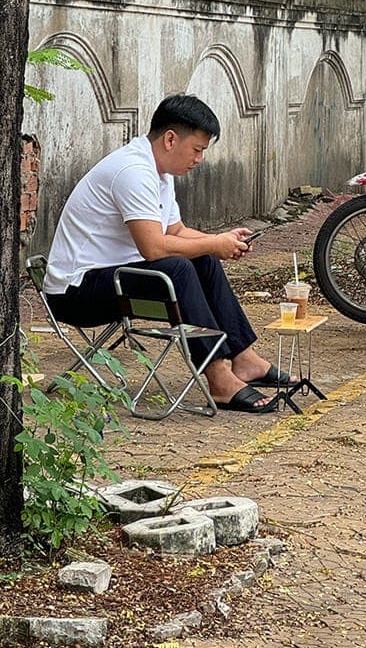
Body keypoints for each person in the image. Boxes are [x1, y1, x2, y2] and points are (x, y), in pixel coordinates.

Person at [44, 94, 294, 413]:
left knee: (202, 258)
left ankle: (243, 359)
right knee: (176, 269)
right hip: (76, 293)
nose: (199, 159)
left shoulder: (159, 172)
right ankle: (218, 376)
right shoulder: (133, 170)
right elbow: (154, 247)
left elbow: (175, 232)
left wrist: (221, 241)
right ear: (171, 139)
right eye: (197, 149)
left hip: (115, 278)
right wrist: (213, 244)